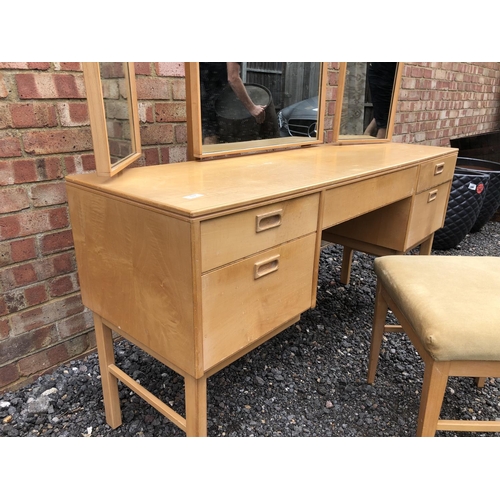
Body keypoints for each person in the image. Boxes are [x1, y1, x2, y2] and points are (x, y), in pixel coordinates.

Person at [199, 62, 266, 144]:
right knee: (212, 140)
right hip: (214, 101)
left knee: (208, 136)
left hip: (202, 96)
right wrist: (252, 108)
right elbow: (233, 78)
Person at [364, 62, 397, 139]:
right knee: (385, 121)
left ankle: (366, 135)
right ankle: (378, 148)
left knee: (383, 113)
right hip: (382, 73)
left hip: (385, 72)